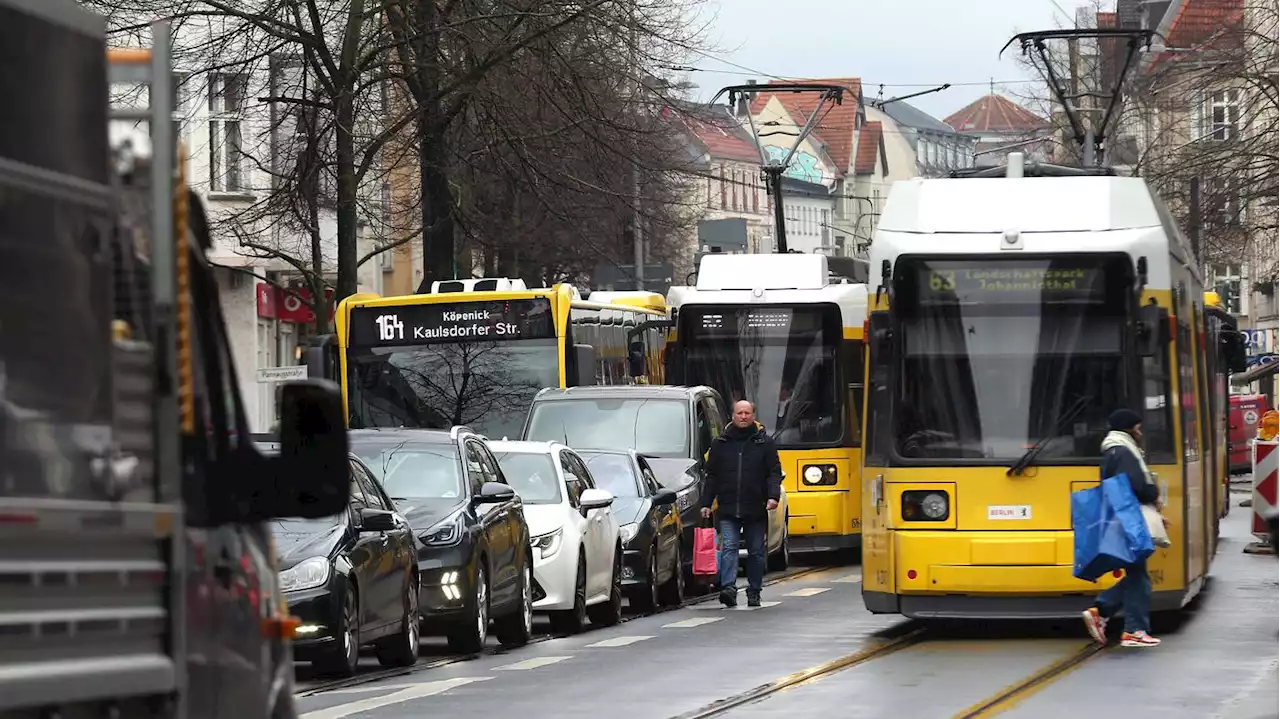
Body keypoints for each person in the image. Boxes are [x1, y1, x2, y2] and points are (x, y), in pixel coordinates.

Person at [1081, 408, 1165, 648]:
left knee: (1138, 574)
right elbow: (1136, 484)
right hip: (1129, 519)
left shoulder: (1114, 449)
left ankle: (1105, 612)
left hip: (1124, 517)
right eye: (1138, 428)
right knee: (1138, 576)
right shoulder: (1123, 450)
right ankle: (1133, 629)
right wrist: (1152, 494)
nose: (1140, 433)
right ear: (1129, 429)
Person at [700, 400, 783, 607]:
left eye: (747, 413)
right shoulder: (720, 443)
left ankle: (754, 590)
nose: (743, 416)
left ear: (753, 415)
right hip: (728, 507)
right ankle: (728, 588)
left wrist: (773, 496)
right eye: (740, 413)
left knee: (756, 551)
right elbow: (712, 476)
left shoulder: (765, 443)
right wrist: (706, 502)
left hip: (756, 507)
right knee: (729, 547)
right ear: (733, 416)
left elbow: (774, 473)